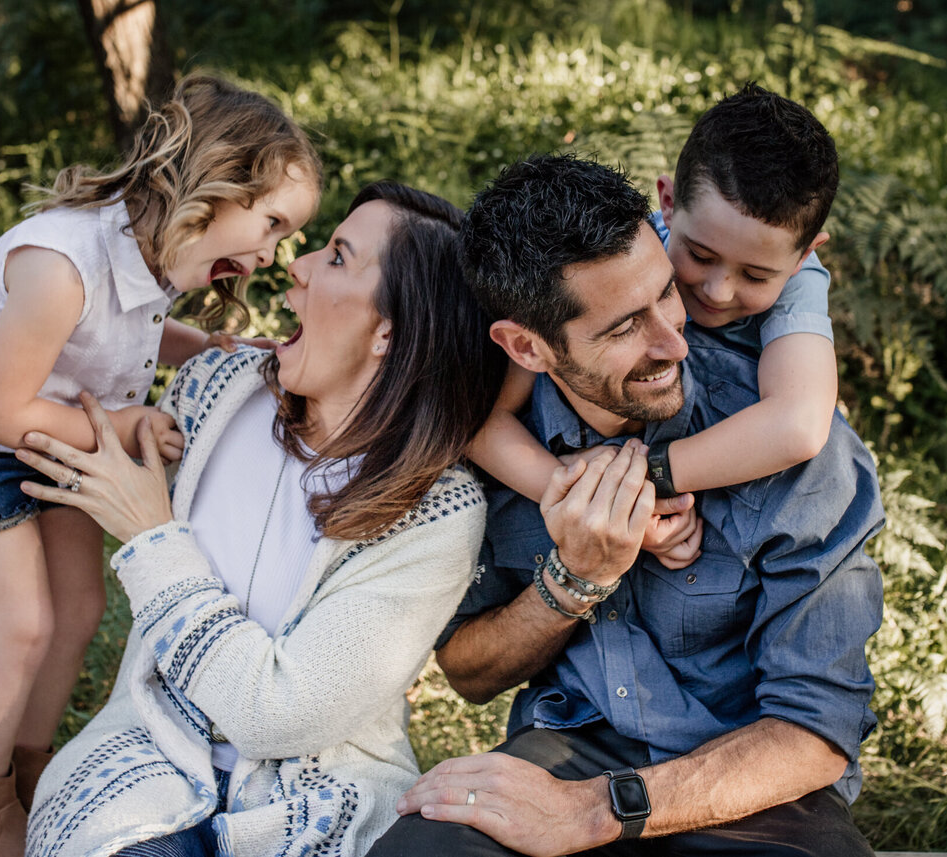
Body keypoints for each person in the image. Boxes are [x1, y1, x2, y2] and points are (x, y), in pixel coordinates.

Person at [366, 154, 885, 857]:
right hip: (568, 743)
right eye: (623, 326)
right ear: (527, 346)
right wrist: (577, 576)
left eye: (666, 292)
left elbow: (818, 731)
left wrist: (593, 811)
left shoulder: (788, 443)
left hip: (750, 777)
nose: (676, 340)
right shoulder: (492, 443)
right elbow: (468, 668)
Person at [8, 181, 507, 857]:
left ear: (387, 331)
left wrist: (156, 539)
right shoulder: (218, 387)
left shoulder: (438, 510)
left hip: (318, 801)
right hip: (145, 758)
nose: (295, 265)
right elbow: (74, 438)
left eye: (336, 257)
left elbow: (276, 716)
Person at [0, 74, 322, 857]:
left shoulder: (148, 257)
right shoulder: (63, 263)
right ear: (215, 181)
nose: (270, 253)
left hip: (51, 427)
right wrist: (124, 424)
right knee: (22, 624)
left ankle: (28, 772)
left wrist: (219, 349)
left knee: (79, 610)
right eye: (271, 223)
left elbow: (129, 335)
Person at [467, 84, 838, 546]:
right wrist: (591, 497)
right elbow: (481, 417)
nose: (718, 291)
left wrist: (647, 481)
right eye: (700, 256)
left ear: (804, 257)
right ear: (666, 202)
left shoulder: (799, 279)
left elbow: (798, 426)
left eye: (758, 276)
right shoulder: (628, 246)